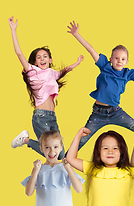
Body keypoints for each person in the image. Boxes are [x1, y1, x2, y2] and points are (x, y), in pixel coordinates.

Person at [67, 21, 134, 150]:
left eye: (123, 59)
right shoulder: (105, 67)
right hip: (98, 113)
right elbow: (91, 50)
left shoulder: (127, 74)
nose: (119, 61)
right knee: (82, 139)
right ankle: (63, 162)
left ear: (127, 62)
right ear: (111, 59)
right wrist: (76, 34)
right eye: (116, 58)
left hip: (116, 112)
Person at [8, 16, 84, 159]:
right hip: (40, 117)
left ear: (50, 60)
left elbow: (64, 71)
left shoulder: (51, 73)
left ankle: (37, 143)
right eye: (39, 57)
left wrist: (77, 63)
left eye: (45, 56)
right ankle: (25, 140)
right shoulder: (32, 72)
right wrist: (13, 30)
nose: (42, 59)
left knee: (60, 154)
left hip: (52, 117)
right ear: (35, 62)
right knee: (51, 153)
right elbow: (19, 53)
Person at [21, 130, 84, 206]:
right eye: (47, 147)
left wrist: (68, 168)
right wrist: (35, 171)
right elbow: (28, 192)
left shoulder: (66, 168)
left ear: (61, 147)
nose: (51, 151)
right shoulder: (38, 169)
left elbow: (79, 189)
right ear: (41, 148)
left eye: (55, 147)